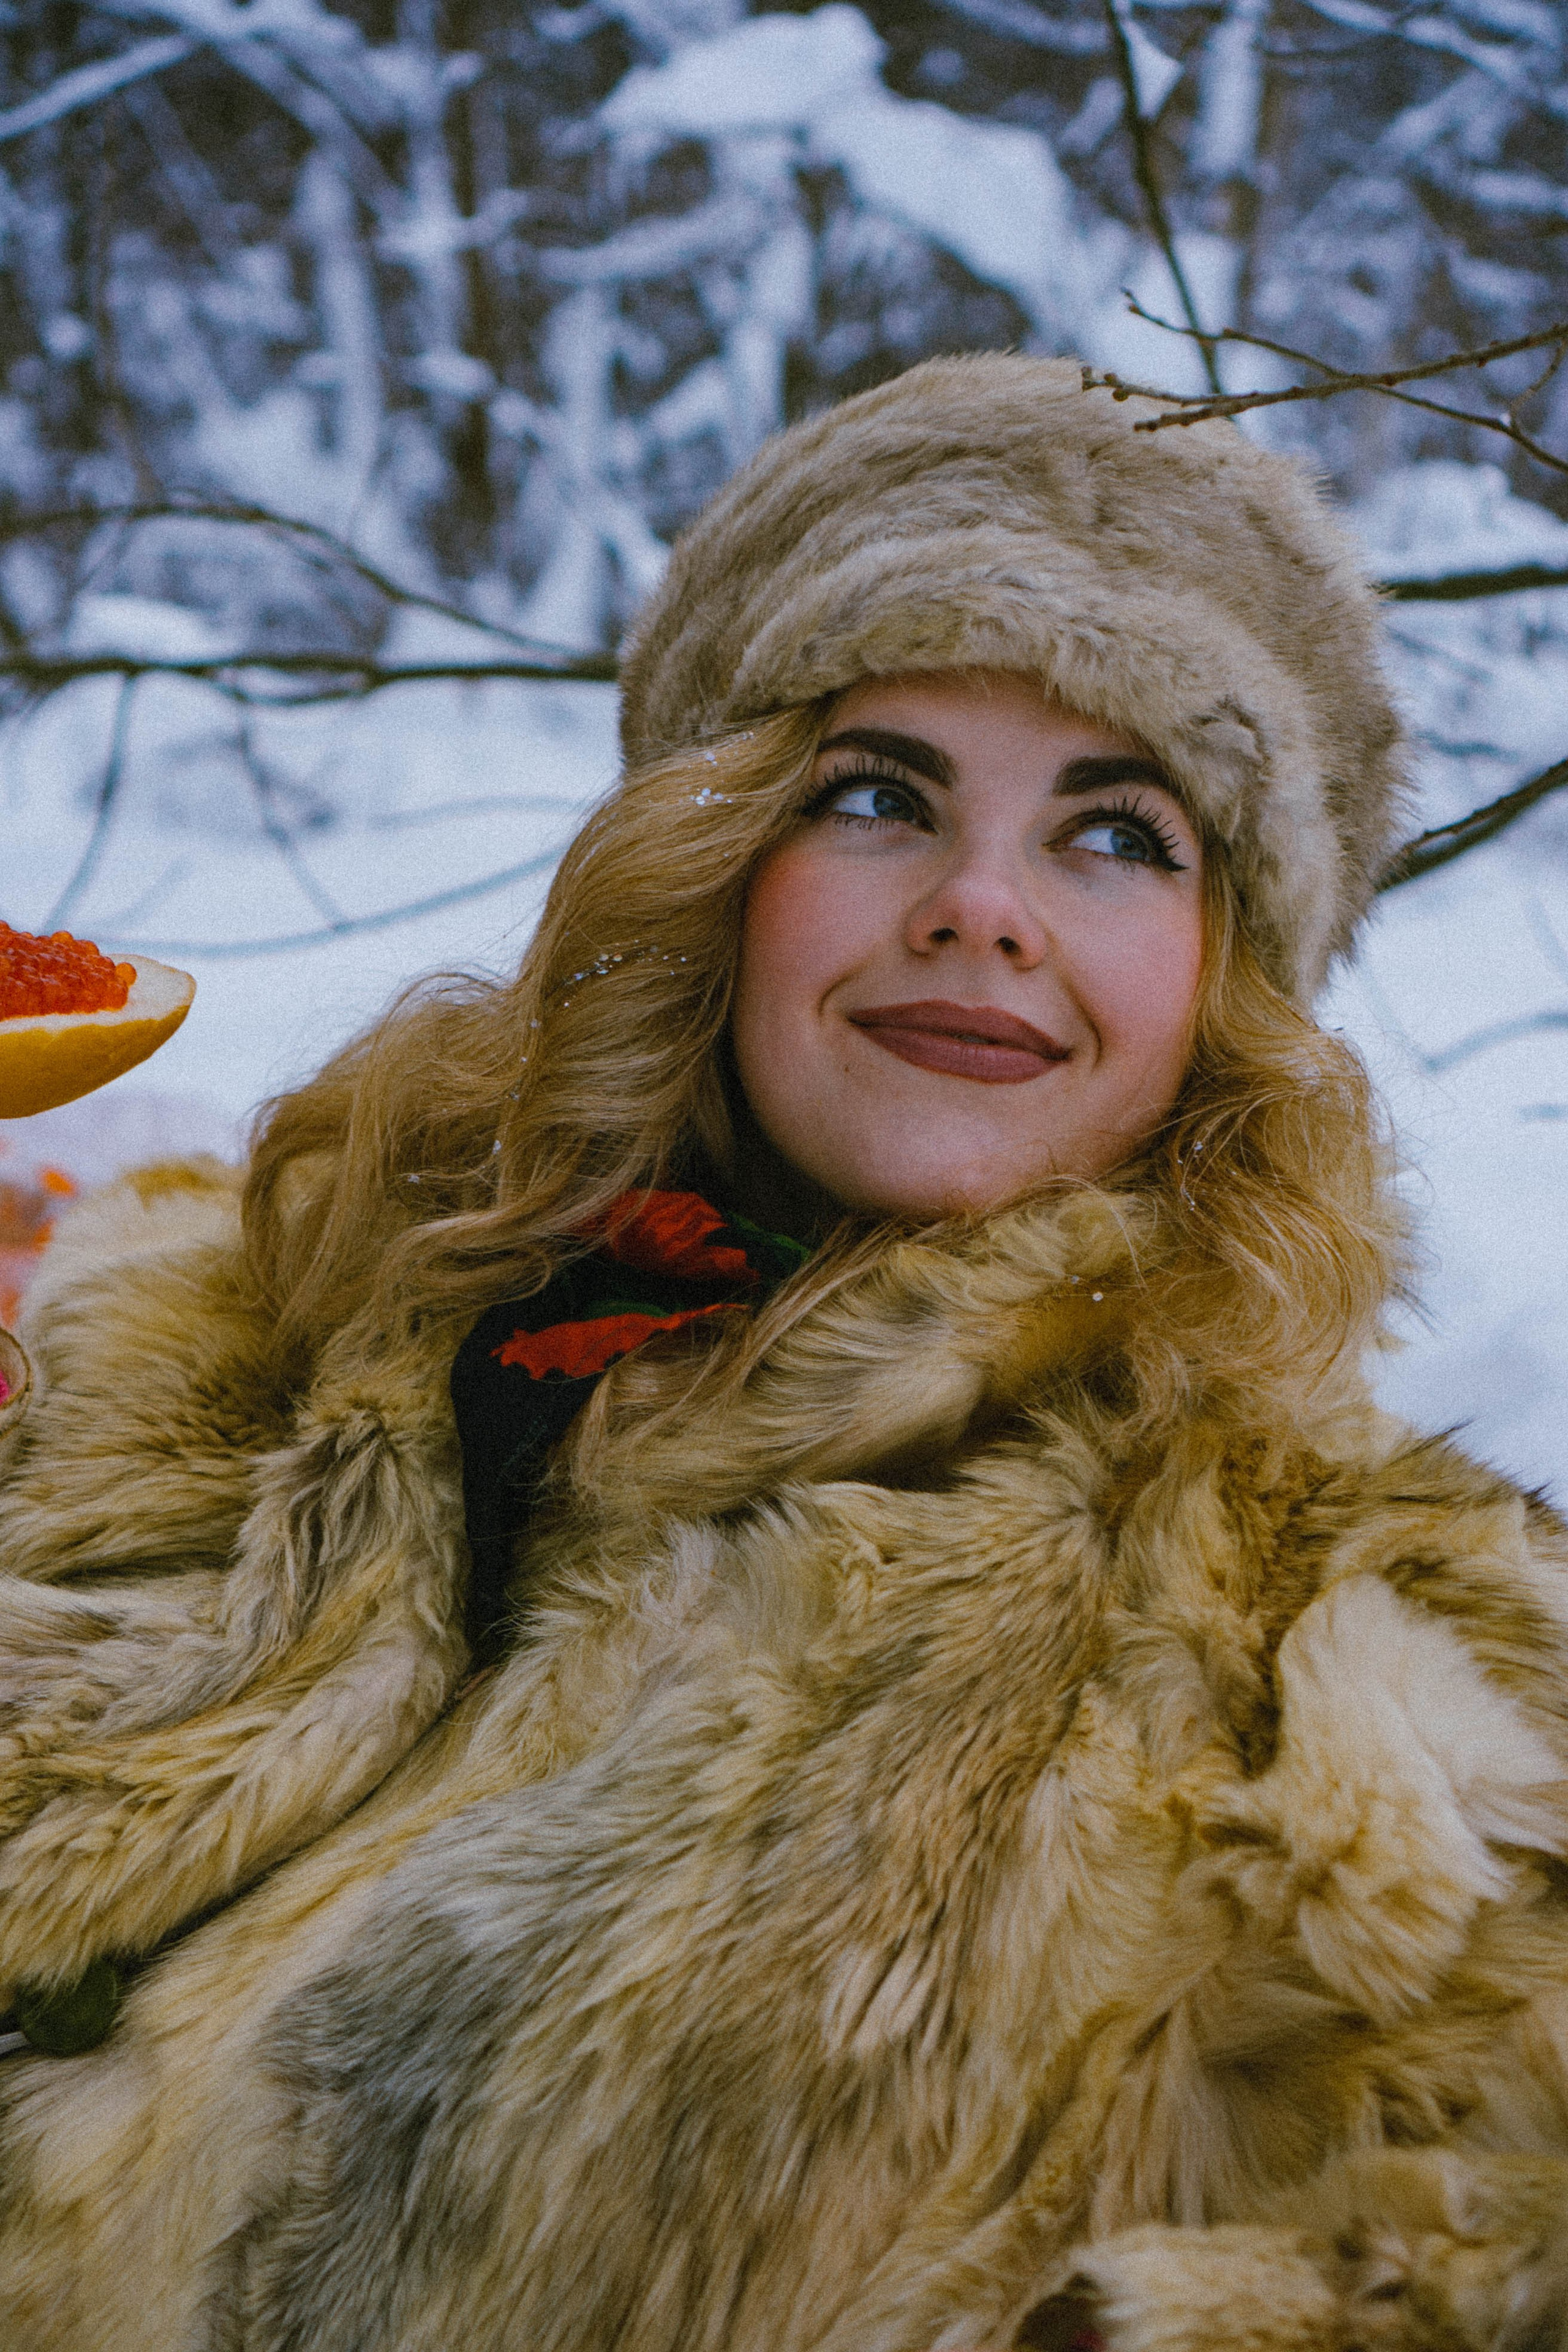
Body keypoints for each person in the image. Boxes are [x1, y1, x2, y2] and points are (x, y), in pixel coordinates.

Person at [0, 353, 1565, 2352]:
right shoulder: (207, 1350)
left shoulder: (1374, 1663)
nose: (982, 907)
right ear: (720, 863)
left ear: (1222, 982)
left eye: (1117, 836)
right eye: (876, 797)